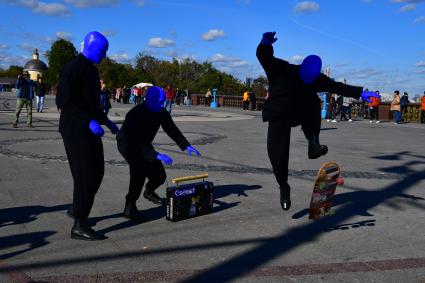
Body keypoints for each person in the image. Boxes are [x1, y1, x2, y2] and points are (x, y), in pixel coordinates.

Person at [256, 32, 379, 211]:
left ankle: (313, 143)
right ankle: (283, 186)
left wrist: (360, 93)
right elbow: (264, 57)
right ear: (303, 68)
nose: (310, 80)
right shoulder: (282, 69)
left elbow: (337, 86)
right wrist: (265, 43)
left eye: (313, 78)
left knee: (313, 101)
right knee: (277, 156)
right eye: (308, 76)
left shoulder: (316, 78)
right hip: (279, 115)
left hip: (299, 112)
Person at [56, 31, 119, 240]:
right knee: (85, 175)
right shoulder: (73, 67)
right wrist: (88, 121)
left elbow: (92, 105)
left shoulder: (91, 71)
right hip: (74, 129)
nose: (104, 55)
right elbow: (64, 101)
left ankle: (77, 209)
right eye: (102, 50)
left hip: (89, 129)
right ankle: (79, 224)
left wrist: (106, 121)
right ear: (91, 47)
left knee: (96, 171)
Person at [116, 86, 201, 221]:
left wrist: (186, 146)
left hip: (144, 144)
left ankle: (149, 191)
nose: (161, 105)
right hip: (128, 144)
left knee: (160, 176)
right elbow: (134, 141)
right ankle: (129, 207)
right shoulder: (135, 113)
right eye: (159, 102)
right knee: (139, 170)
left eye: (163, 102)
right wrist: (155, 155)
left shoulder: (161, 112)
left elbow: (172, 129)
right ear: (148, 99)